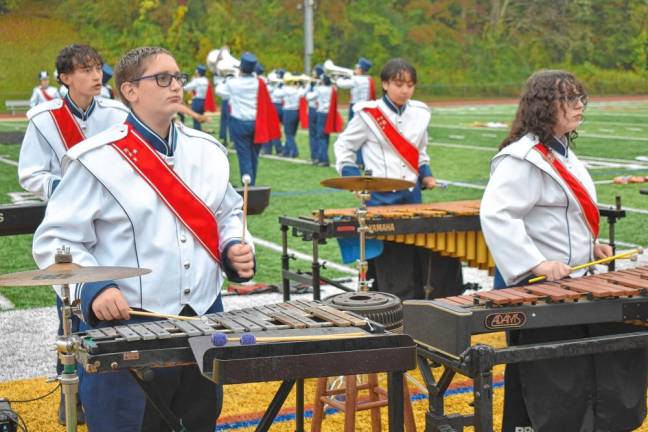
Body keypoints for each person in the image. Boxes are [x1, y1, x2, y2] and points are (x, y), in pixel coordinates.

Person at [32, 46, 256, 432]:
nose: (176, 86)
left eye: (178, 77)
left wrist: (231, 245)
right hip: (127, 326)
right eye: (162, 78)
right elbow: (55, 241)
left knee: (199, 421)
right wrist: (96, 288)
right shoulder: (96, 159)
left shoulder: (210, 153)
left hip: (203, 318)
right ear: (130, 90)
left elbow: (228, 212)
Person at [480, 69, 648, 432]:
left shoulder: (564, 154)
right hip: (540, 288)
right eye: (568, 99)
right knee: (550, 378)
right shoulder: (523, 158)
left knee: (587, 365)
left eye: (579, 98)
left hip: (573, 282)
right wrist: (536, 263)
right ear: (543, 106)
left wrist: (592, 247)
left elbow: (565, 217)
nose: (578, 106)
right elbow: (497, 215)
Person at [19, 44, 129, 425]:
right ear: (65, 77)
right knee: (69, 308)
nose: (96, 76)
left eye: (98, 68)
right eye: (85, 70)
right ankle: (74, 394)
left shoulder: (117, 113)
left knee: (113, 301)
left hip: (111, 224)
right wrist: (68, 189)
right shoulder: (43, 119)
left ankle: (113, 389)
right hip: (67, 226)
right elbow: (30, 173)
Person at [333, 58, 463, 300]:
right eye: (399, 84)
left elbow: (420, 151)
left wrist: (427, 175)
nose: (405, 90)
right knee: (390, 266)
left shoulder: (421, 113)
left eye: (410, 85)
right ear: (385, 84)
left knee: (416, 259)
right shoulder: (369, 114)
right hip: (380, 199)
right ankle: (387, 306)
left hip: (412, 197)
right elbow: (344, 147)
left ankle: (418, 309)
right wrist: (354, 179)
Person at [215, 51, 280, 185]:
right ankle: (252, 183)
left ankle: (248, 185)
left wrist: (228, 77)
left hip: (239, 123)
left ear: (241, 68)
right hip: (257, 123)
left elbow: (220, 91)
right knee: (254, 156)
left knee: (244, 155)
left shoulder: (233, 83)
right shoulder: (259, 82)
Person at [276, 73, 307, 158]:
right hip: (296, 112)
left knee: (288, 134)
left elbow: (276, 94)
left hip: (288, 112)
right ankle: (286, 151)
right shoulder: (298, 89)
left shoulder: (284, 89)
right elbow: (304, 93)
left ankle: (294, 151)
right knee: (292, 134)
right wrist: (302, 85)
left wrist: (279, 85)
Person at [336, 57, 375, 121]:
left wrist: (340, 77)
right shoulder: (368, 79)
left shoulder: (357, 79)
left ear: (360, 69)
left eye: (357, 68)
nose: (355, 69)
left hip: (355, 106)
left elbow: (340, 84)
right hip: (365, 107)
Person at [183, 64, 209, 130]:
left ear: (198, 72)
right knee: (200, 120)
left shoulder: (197, 80)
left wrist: (183, 83)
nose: (195, 71)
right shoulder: (206, 80)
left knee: (196, 120)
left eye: (196, 70)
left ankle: (198, 136)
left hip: (197, 101)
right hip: (204, 101)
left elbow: (186, 88)